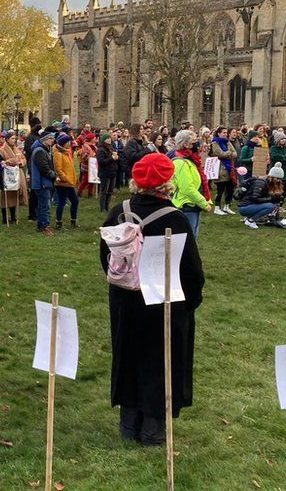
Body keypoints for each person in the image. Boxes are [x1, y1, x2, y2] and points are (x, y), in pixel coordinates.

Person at [100, 153, 204, 445]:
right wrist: (191, 301)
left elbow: (105, 256)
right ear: (167, 183)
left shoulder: (118, 212)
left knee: (129, 355)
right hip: (163, 301)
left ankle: (129, 422)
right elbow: (191, 270)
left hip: (125, 299)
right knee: (159, 360)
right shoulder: (175, 218)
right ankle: (152, 428)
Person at [169, 130, 212, 238]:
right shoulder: (181, 162)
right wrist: (203, 203)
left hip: (193, 205)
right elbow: (187, 188)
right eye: (194, 142)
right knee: (188, 239)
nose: (196, 144)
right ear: (186, 144)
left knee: (192, 237)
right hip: (186, 205)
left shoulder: (190, 160)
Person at [236, 164, 286, 229]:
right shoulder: (261, 183)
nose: (278, 180)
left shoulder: (268, 183)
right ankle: (250, 220)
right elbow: (254, 198)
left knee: (273, 204)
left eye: (280, 179)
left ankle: (251, 218)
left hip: (250, 205)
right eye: (277, 178)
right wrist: (271, 199)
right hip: (244, 207)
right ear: (271, 176)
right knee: (270, 206)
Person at [29, 130, 56, 235]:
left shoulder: (45, 149)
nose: (53, 140)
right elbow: (44, 168)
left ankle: (41, 225)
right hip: (42, 182)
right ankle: (45, 227)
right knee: (45, 206)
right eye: (51, 138)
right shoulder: (39, 151)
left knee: (41, 205)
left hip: (42, 182)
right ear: (45, 139)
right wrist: (53, 175)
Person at [0, 129, 26, 224]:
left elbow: (23, 158)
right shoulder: (2, 150)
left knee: (14, 195)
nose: (14, 140)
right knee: (5, 196)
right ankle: (4, 218)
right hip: (7, 175)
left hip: (16, 174)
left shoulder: (16, 148)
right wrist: (14, 161)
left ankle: (13, 217)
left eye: (15, 138)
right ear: (7, 139)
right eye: (12, 138)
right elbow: (3, 162)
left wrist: (21, 162)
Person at [52, 133, 79, 229]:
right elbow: (58, 169)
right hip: (63, 183)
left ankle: (73, 220)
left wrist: (73, 178)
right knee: (62, 202)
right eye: (68, 142)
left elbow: (70, 167)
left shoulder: (67, 153)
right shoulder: (58, 154)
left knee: (75, 201)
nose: (69, 143)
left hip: (69, 183)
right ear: (63, 143)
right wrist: (64, 178)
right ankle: (58, 222)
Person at [209, 127, 237, 215]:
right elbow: (220, 154)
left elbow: (235, 153)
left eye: (226, 133)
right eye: (223, 133)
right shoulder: (215, 143)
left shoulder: (227, 142)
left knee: (230, 189)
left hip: (229, 169)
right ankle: (217, 207)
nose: (225, 134)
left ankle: (227, 206)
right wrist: (229, 153)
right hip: (220, 169)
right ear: (219, 133)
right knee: (220, 189)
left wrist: (228, 154)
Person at [23, 117, 42, 221]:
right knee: (34, 191)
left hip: (39, 166)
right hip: (33, 165)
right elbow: (30, 152)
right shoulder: (30, 138)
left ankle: (37, 211)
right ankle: (32, 213)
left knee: (38, 190)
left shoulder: (38, 136)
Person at [96, 133, 119, 212]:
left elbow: (114, 160)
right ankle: (102, 208)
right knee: (104, 191)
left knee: (110, 191)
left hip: (112, 173)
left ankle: (107, 206)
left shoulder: (111, 148)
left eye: (110, 138)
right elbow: (101, 161)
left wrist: (116, 158)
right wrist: (112, 158)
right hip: (105, 173)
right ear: (103, 140)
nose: (109, 139)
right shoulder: (101, 150)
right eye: (107, 138)